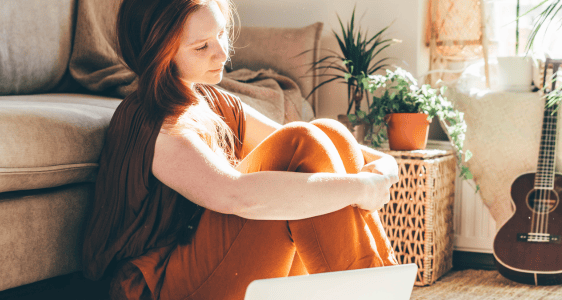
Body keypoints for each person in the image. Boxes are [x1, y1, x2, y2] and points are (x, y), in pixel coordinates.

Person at [81, 0, 401, 299]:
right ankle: (369, 290)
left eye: (221, 34)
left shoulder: (211, 99)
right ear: (160, 55)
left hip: (205, 262)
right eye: (202, 46)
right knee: (303, 142)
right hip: (157, 286)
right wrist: (363, 187)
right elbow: (235, 195)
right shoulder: (157, 125)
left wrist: (385, 167)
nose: (222, 54)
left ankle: (376, 285)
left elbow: (319, 144)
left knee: (327, 132)